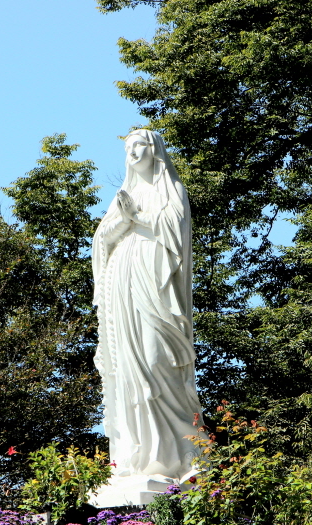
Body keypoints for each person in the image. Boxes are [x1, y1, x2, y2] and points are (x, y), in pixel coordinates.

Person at [92, 129, 204, 479]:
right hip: (122, 290)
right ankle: (137, 454)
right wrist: (123, 219)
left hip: (155, 287)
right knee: (127, 368)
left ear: (154, 150)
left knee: (157, 362)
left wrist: (136, 218)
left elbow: (174, 230)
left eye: (138, 145)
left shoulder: (170, 190)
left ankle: (178, 453)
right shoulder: (124, 196)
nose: (132, 152)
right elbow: (101, 241)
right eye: (127, 147)